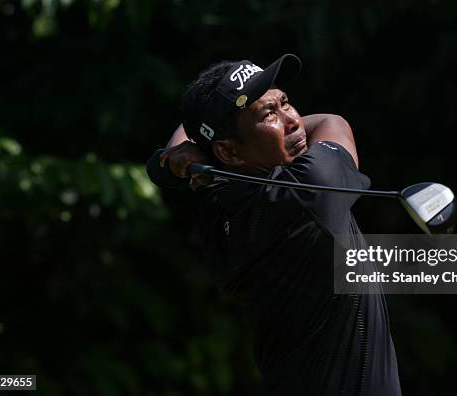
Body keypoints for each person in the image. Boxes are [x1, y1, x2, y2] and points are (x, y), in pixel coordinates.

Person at [147, 54, 402, 395]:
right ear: (229, 153)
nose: (293, 120)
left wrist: (190, 156)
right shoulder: (309, 191)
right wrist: (192, 152)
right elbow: (332, 122)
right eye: (268, 114)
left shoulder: (218, 201)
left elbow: (186, 135)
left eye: (285, 102)